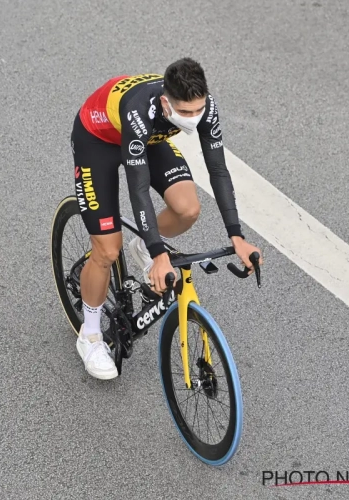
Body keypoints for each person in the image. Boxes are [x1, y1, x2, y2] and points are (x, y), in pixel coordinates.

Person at [70, 57, 263, 380]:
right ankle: (89, 336)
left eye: (198, 110)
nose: (193, 118)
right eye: (185, 113)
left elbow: (218, 170)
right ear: (165, 102)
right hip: (99, 140)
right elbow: (139, 189)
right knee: (107, 250)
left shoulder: (204, 108)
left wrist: (237, 236)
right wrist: (161, 253)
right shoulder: (138, 110)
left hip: (150, 138)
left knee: (188, 208)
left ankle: (142, 248)